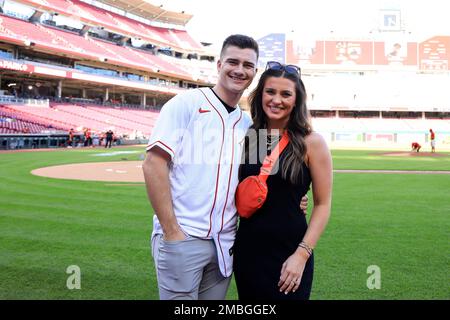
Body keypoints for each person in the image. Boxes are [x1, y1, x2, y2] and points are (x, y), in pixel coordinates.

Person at [142, 35, 308, 300]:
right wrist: (171, 231)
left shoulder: (249, 126)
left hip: (227, 242)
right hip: (184, 236)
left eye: (247, 65)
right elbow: (153, 164)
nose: (239, 70)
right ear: (219, 64)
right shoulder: (185, 104)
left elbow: (262, 181)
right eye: (232, 61)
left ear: (255, 72)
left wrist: (296, 198)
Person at [233, 61, 333, 300]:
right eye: (270, 91)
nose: (276, 99)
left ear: (296, 100)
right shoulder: (250, 137)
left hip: (290, 255)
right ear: (260, 95)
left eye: (286, 94)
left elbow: (323, 204)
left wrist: (301, 255)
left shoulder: (312, 142)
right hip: (248, 254)